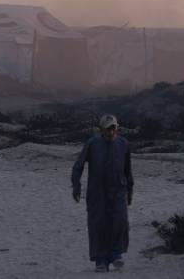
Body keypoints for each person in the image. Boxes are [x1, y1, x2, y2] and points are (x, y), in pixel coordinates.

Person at [71, 114, 134, 273]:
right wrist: (76, 186)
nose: (111, 132)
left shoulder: (123, 144)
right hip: (97, 191)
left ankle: (116, 254)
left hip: (118, 189)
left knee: (120, 220)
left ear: (117, 128)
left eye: (113, 128)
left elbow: (128, 170)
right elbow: (78, 165)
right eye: (107, 129)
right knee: (98, 224)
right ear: (101, 130)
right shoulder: (92, 144)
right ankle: (100, 260)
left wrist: (130, 191)